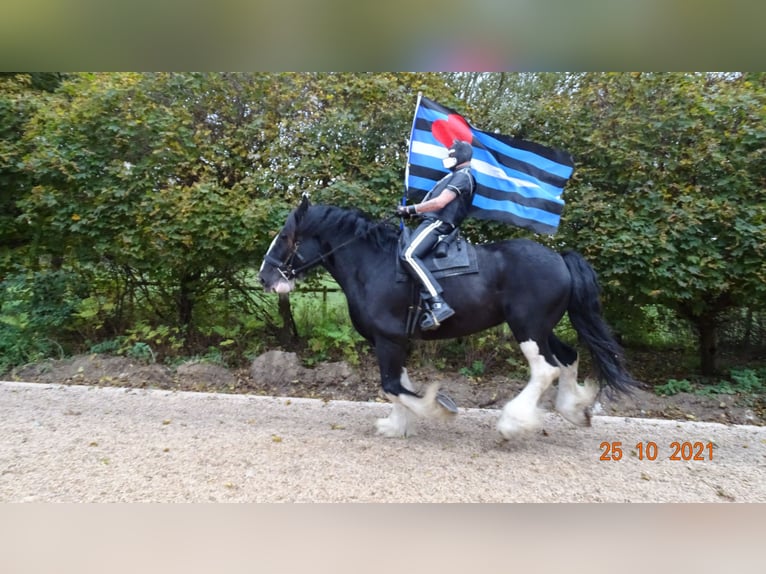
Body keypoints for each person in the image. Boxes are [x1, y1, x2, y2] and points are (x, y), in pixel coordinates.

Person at [396, 139, 475, 331]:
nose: (447, 158)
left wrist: (410, 209)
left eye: (450, 154)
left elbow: (440, 203)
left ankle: (438, 303)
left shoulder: (463, 176)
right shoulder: (452, 176)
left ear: (460, 156)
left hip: (439, 223)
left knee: (407, 255)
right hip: (431, 221)